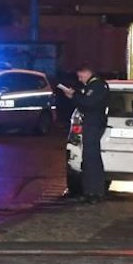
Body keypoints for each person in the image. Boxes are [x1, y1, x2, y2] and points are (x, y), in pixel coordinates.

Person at [57, 64, 110, 202]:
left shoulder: (97, 86)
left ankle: (94, 192)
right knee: (89, 158)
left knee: (91, 159)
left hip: (93, 124)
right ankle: (91, 191)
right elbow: (85, 102)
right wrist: (74, 96)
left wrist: (74, 95)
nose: (80, 79)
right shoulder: (93, 85)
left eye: (80, 76)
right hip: (91, 124)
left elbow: (88, 103)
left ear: (87, 73)